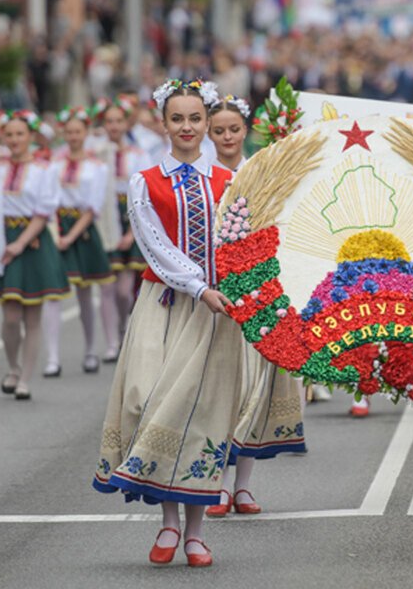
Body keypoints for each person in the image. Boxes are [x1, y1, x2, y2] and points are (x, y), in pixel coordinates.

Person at [94, 80, 245, 569]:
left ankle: (195, 533)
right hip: (164, 304)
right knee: (148, 400)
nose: (187, 127)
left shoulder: (229, 182)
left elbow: (245, 243)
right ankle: (167, 521)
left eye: (195, 119)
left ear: (207, 123)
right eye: (177, 119)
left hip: (217, 312)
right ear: (163, 122)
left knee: (201, 414)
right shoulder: (145, 181)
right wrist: (198, 285)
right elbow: (153, 244)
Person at [206, 94, 307, 518]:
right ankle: (217, 485)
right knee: (221, 390)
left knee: (255, 388)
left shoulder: (261, 170)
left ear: (246, 129)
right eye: (219, 131)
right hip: (215, 297)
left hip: (261, 292)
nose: (228, 137)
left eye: (234, 129)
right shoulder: (203, 177)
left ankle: (242, 486)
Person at [0, 111, 72, 401]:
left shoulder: (45, 169)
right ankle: (13, 367)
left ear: (30, 137)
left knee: (32, 314)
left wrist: (21, 243)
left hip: (32, 241)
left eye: (20, 135)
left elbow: (44, 212)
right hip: (2, 238)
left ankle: (25, 378)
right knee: (10, 315)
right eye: (10, 135)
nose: (15, 140)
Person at [43, 107, 115, 377]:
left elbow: (93, 207)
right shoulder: (53, 163)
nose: (73, 136)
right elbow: (48, 198)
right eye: (69, 131)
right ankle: (52, 356)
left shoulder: (97, 166)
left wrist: (71, 237)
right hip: (57, 225)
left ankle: (90, 350)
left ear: (85, 133)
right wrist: (56, 234)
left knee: (86, 293)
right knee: (52, 293)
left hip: (82, 229)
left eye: (78, 131)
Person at [98, 97, 152, 349]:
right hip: (106, 217)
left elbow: (142, 195)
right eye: (109, 121)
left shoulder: (138, 155)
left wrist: (132, 231)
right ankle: (112, 340)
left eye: (119, 121)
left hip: (129, 215)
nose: (114, 126)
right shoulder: (96, 155)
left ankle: (125, 323)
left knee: (124, 289)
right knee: (107, 286)